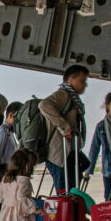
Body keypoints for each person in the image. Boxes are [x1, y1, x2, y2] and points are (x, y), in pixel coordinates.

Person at [39, 65, 89, 193]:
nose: (85, 85)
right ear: (71, 79)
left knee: (71, 191)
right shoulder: (63, 94)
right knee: (64, 194)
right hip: (59, 155)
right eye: (82, 81)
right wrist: (64, 127)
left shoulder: (72, 98)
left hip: (67, 152)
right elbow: (44, 105)